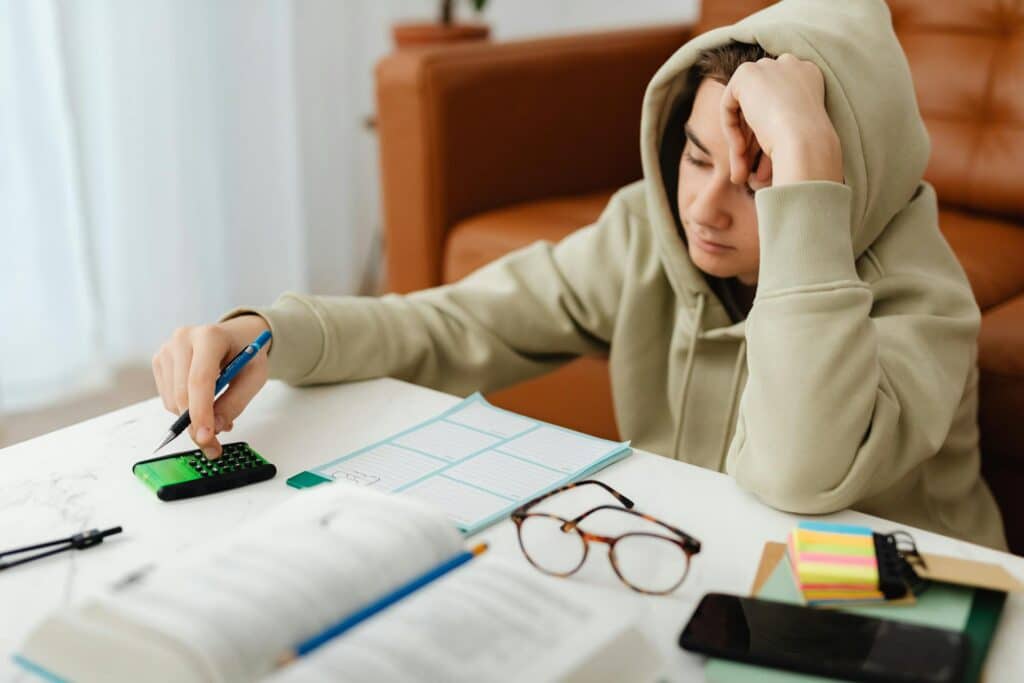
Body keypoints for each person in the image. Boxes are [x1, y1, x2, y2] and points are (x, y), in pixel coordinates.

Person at [152, 0, 1006, 549]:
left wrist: (808, 172)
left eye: (759, 181)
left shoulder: (924, 301)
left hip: (894, 620)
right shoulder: (650, 231)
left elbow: (796, 475)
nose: (705, 207)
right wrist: (268, 331)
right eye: (695, 157)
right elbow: (459, 324)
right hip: (691, 571)